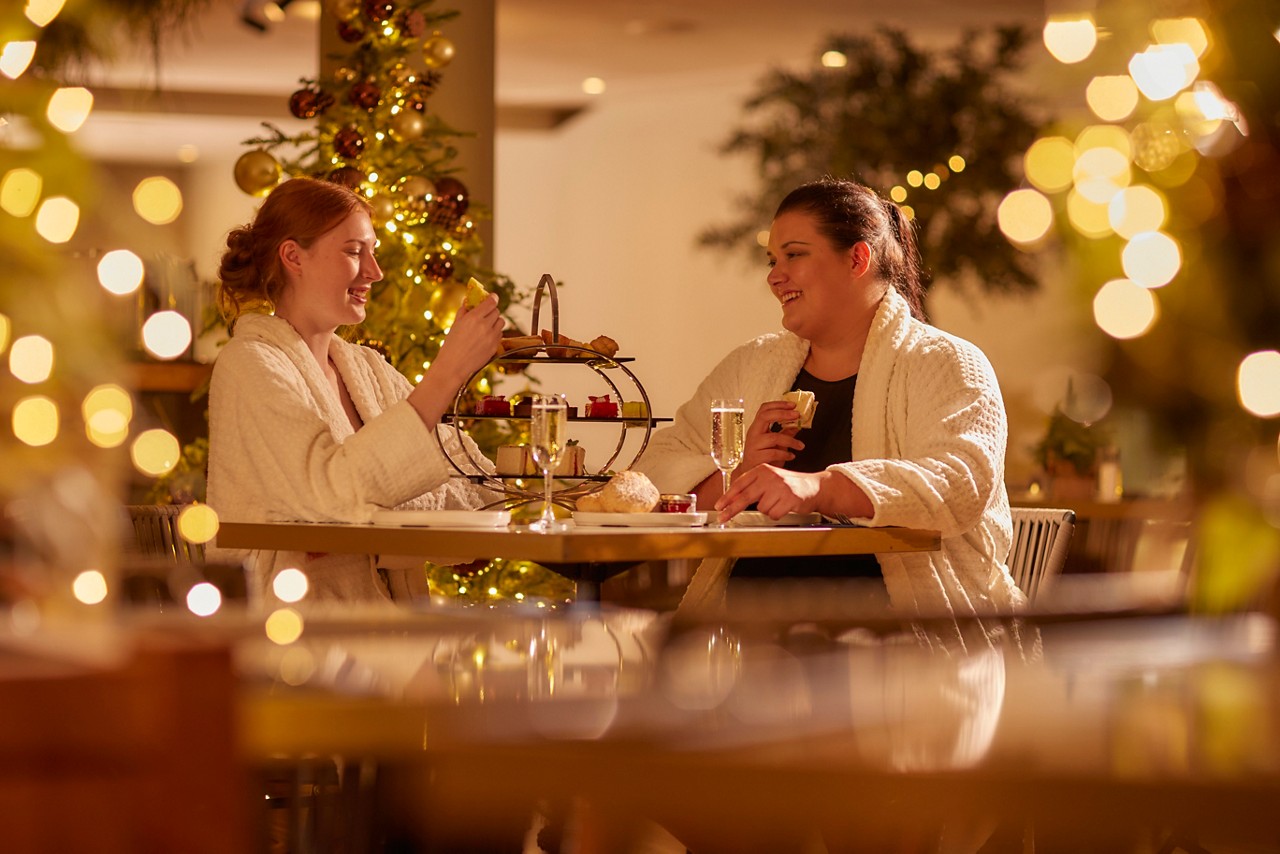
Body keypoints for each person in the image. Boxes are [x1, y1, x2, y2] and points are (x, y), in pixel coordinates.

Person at [634, 176, 1025, 619]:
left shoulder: (946, 361)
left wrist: (819, 487)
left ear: (858, 258)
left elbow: (960, 484)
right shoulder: (753, 365)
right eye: (772, 259)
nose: (774, 276)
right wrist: (737, 470)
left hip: (898, 644)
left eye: (794, 255)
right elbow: (651, 477)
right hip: (747, 642)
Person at [206, 177, 503, 603]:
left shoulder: (369, 371)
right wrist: (446, 372)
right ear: (293, 256)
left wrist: (379, 518)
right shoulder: (251, 365)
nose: (374, 272)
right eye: (353, 252)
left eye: (374, 254)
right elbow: (333, 497)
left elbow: (481, 485)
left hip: (391, 627)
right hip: (290, 630)